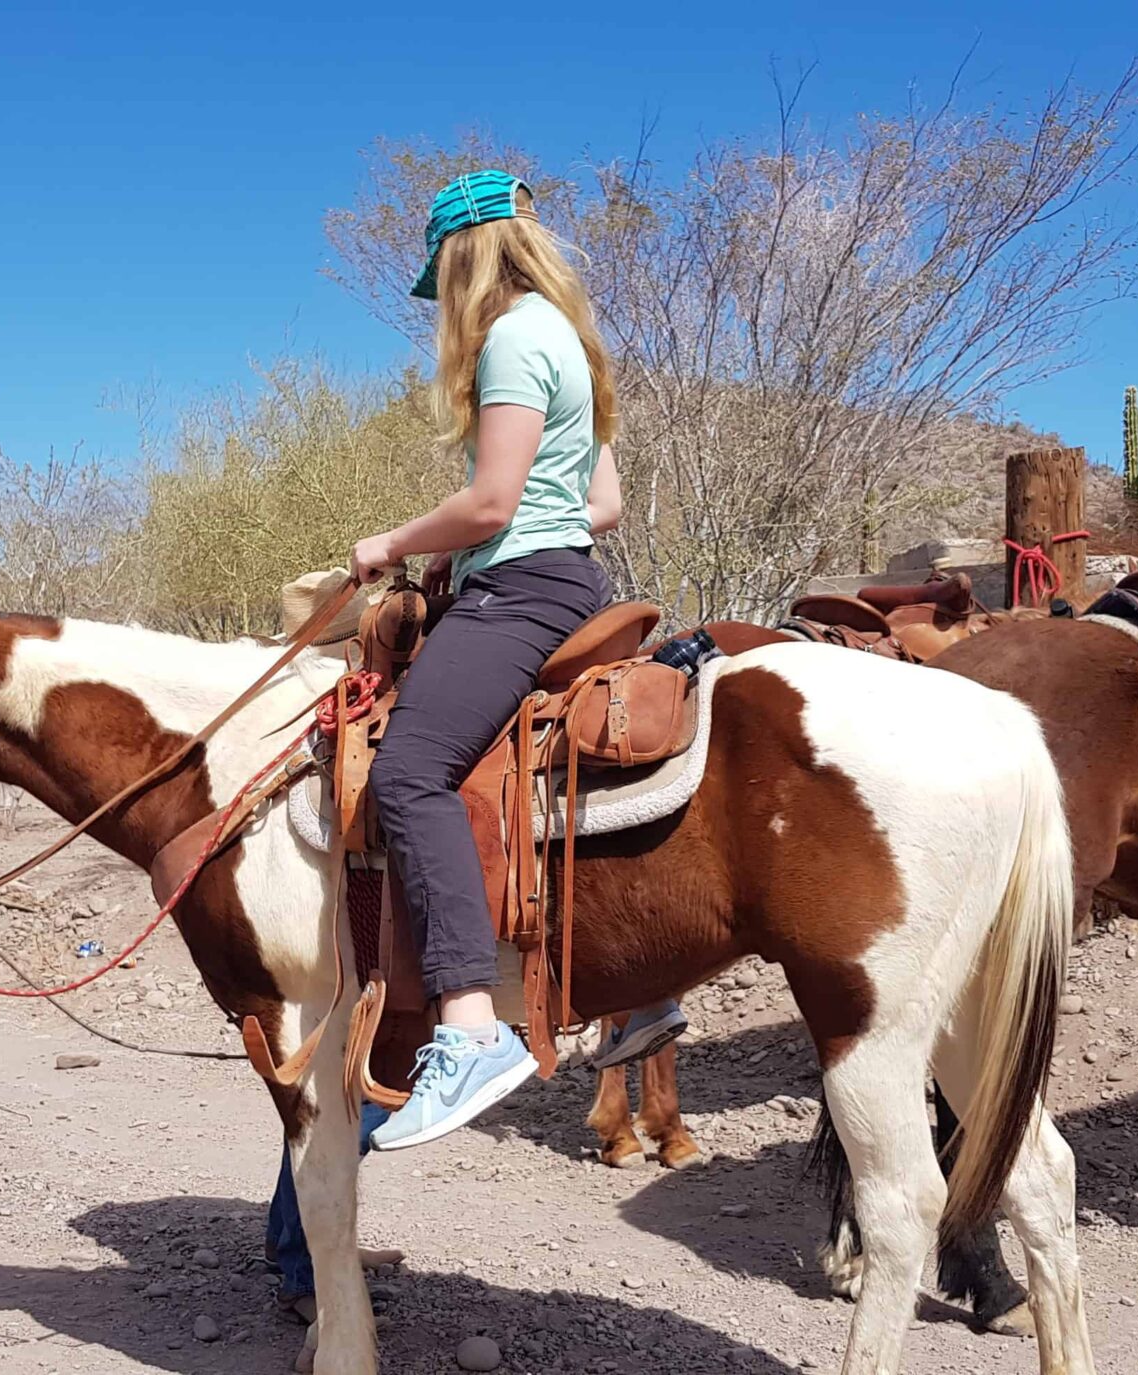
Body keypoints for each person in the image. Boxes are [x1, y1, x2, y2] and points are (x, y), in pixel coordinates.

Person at [347, 169, 681, 1155]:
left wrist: (397, 541)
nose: (440, 302)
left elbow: (493, 502)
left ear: (464, 259)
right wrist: (475, 542)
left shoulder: (506, 338)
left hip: (522, 589)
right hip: (571, 576)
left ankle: (465, 1026)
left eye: (440, 278)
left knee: (409, 772)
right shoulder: (571, 343)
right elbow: (602, 504)